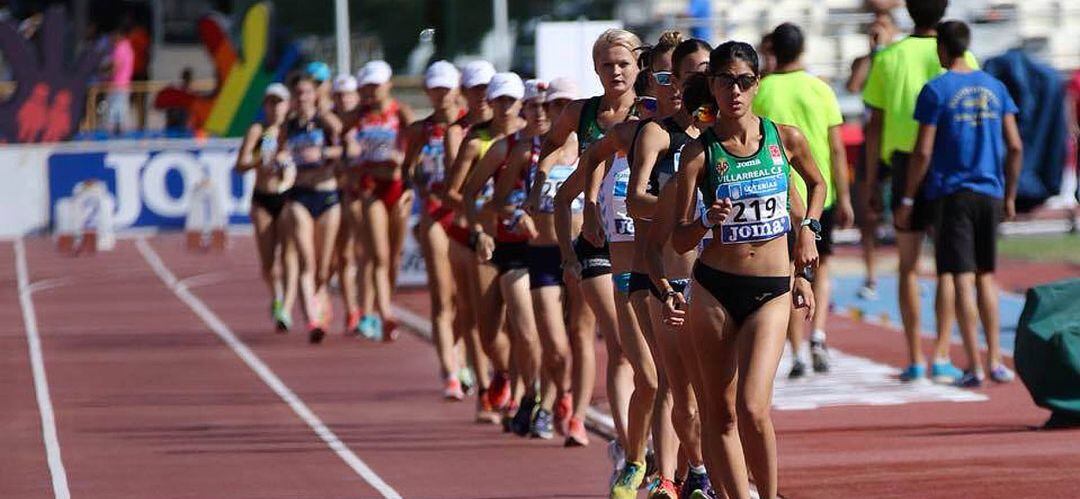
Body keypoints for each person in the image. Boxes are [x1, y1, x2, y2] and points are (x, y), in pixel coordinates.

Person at [671, 41, 824, 499]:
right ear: (712, 86)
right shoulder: (699, 153)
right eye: (725, 81)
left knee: (754, 407)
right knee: (720, 414)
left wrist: (809, 231)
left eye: (743, 81)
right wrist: (704, 221)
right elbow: (678, 237)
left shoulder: (784, 138)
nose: (734, 91)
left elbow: (817, 184)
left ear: (757, 84)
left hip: (771, 291)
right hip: (715, 289)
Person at [540, 28, 641, 494]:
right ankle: (628, 446)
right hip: (597, 241)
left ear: (637, 64)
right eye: (606, 65)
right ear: (596, 69)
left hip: (645, 240)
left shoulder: (650, 111)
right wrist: (543, 176)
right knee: (621, 344)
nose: (615, 71)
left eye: (622, 63)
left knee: (651, 357)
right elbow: (548, 151)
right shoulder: (581, 113)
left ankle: (650, 444)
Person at [899, 20, 1023, 387]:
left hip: (952, 194)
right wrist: (1011, 193)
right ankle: (997, 359)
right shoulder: (996, 87)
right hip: (990, 191)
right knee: (987, 275)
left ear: (942, 48)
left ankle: (973, 364)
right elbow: (1015, 145)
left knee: (960, 276)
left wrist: (908, 196)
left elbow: (922, 150)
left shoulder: (936, 90)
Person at [862, 0, 977, 383]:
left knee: (908, 265)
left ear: (909, 12)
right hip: (948, 165)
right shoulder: (963, 54)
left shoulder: (890, 57)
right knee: (947, 266)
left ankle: (914, 356)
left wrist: (872, 178)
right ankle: (942, 353)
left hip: (903, 164)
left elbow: (874, 123)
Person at [629, 37, 714, 499]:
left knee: (719, 392)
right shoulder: (658, 134)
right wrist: (680, 208)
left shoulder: (728, 133)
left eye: (709, 71)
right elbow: (635, 197)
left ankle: (695, 472)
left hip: (721, 277)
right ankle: (686, 472)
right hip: (667, 273)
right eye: (690, 74)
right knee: (678, 387)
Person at [753, 23, 853, 377]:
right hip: (816, 195)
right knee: (820, 268)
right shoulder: (820, 88)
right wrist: (844, 197)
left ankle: (796, 352)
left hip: (773, 194)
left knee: (790, 273)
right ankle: (819, 335)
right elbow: (838, 148)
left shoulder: (760, 90)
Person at [462, 73, 552, 437]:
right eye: (533, 106)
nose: (540, 113)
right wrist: (480, 231)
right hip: (511, 248)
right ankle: (524, 389)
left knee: (542, 333)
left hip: (552, 249)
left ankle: (539, 399)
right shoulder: (506, 148)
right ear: (524, 109)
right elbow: (470, 194)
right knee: (505, 332)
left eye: (547, 106)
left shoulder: (569, 145)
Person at [512, 77, 598, 445]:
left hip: (583, 249)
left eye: (566, 104)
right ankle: (556, 394)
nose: (559, 112)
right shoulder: (535, 153)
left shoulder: (592, 148)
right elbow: (504, 198)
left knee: (581, 335)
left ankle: (576, 417)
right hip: (544, 252)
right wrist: (518, 213)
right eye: (553, 106)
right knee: (555, 344)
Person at [445, 65, 520, 425]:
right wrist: (480, 223)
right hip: (487, 242)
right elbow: (454, 191)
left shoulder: (533, 140)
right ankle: (502, 374)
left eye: (511, 100)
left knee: (524, 324)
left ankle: (523, 395)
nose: (505, 107)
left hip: (524, 241)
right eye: (499, 100)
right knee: (489, 331)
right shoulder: (476, 141)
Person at [401, 60, 468, 400]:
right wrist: (414, 185)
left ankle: (460, 351)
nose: (442, 94)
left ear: (458, 89)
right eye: (436, 88)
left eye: (447, 87)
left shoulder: (471, 126)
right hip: (433, 213)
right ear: (427, 91)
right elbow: (406, 169)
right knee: (443, 297)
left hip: (466, 215)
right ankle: (450, 372)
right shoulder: (420, 131)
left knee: (464, 298)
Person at [278, 73, 345, 344]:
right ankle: (312, 320)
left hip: (327, 194)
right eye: (298, 94)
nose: (302, 98)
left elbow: (345, 148)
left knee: (324, 266)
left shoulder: (326, 121)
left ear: (314, 95)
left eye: (307, 92)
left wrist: (324, 154)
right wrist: (280, 158)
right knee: (307, 262)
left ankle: (321, 299)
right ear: (292, 99)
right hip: (300, 195)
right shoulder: (289, 124)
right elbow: (276, 150)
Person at [351, 60, 416, 341]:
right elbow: (334, 131)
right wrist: (348, 156)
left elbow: (419, 141)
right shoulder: (359, 114)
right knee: (378, 254)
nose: (372, 91)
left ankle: (385, 301)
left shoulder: (400, 111)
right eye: (367, 86)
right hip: (371, 188)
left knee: (394, 255)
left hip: (398, 187)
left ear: (388, 84)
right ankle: (385, 312)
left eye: (377, 85)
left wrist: (405, 159)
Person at [234, 83, 296, 331]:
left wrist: (287, 160)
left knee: (289, 255)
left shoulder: (294, 130)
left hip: (289, 196)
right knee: (269, 262)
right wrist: (260, 160)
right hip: (263, 197)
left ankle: (286, 307)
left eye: (279, 102)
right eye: (270, 102)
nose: (275, 107)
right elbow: (240, 164)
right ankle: (277, 295)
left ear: (287, 105)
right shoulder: (257, 130)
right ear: (265, 106)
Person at [846, 10, 898, 299]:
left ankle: (908, 271)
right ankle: (871, 275)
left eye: (885, 26)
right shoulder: (865, 61)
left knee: (906, 209)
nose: (879, 30)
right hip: (871, 144)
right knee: (868, 213)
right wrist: (873, 51)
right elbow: (854, 85)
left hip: (897, 143)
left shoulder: (899, 60)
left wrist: (887, 50)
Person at [331, 74, 366, 335]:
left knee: (364, 253)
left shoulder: (364, 121)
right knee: (342, 255)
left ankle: (365, 307)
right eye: (340, 95)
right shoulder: (327, 123)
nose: (344, 100)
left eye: (349, 95)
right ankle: (352, 308)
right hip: (333, 194)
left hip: (361, 193)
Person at [103, 27, 134, 135]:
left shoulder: (120, 48)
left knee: (114, 111)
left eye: (112, 37)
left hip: (117, 85)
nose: (110, 41)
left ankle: (112, 134)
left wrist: (105, 74)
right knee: (122, 110)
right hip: (125, 84)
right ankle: (123, 133)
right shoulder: (128, 47)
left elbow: (116, 66)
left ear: (117, 36)